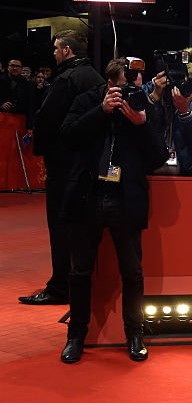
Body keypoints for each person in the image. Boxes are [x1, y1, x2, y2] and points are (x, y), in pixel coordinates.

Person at [58, 58, 168, 363]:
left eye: (136, 84)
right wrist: (101, 111)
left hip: (126, 198)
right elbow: (66, 136)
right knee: (79, 271)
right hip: (88, 195)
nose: (132, 91)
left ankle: (135, 334)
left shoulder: (144, 107)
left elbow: (159, 155)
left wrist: (142, 123)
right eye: (124, 85)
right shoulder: (88, 101)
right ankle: (75, 336)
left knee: (132, 272)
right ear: (109, 83)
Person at [19, 30, 105, 307]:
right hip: (88, 164)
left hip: (65, 165)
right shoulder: (95, 77)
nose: (53, 54)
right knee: (82, 229)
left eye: (56, 49)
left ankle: (60, 287)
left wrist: (42, 149)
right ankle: (78, 283)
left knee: (60, 227)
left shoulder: (67, 79)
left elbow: (47, 120)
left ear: (67, 50)